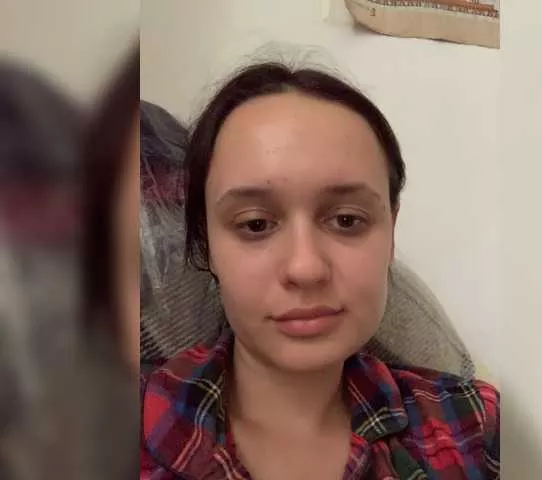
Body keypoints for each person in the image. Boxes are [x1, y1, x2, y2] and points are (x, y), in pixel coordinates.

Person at [141, 62, 499, 480]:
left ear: (391, 233)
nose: (306, 268)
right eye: (255, 224)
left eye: (347, 220)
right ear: (207, 245)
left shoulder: (474, 426)